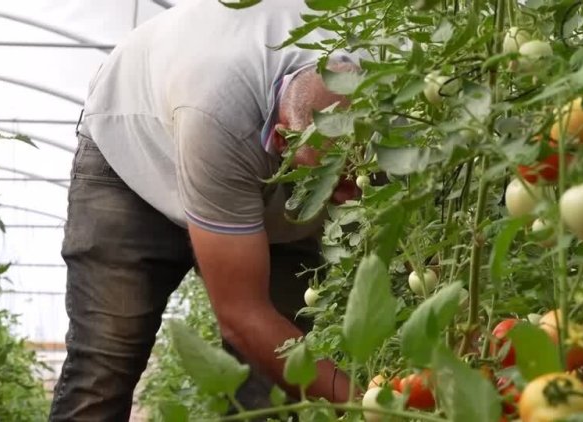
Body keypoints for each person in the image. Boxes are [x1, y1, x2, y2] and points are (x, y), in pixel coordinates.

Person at [49, 0, 361, 420]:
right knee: (104, 368)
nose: (349, 192)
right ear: (286, 140)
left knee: (272, 387)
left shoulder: (384, 83)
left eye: (360, 168)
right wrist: (369, 404)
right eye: (334, 177)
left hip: (248, 162)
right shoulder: (217, 110)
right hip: (135, 162)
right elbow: (242, 313)